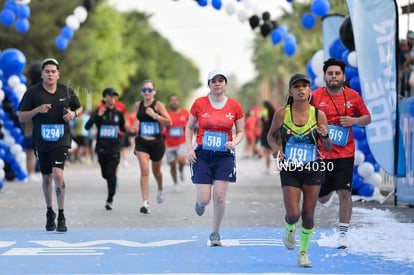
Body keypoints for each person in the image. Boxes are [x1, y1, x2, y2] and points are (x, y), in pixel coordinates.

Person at [267, 74, 332, 267]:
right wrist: (276, 148)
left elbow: (327, 147)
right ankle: (289, 229)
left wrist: (325, 135)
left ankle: (303, 253)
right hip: (290, 168)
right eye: (297, 86)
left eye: (305, 86)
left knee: (309, 214)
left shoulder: (318, 115)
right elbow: (270, 135)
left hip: (313, 168)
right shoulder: (282, 114)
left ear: (309, 90)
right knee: (294, 214)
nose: (301, 89)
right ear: (291, 91)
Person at [311, 58, 371, 249]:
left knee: (344, 192)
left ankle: (343, 234)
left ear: (343, 76)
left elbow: (367, 118)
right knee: (321, 197)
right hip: (321, 154)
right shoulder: (315, 96)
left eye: (337, 73)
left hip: (345, 153)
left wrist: (353, 121)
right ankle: (326, 195)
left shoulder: (353, 96)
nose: (334, 77)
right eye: (330, 73)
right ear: (325, 76)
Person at [18, 58, 83, 232]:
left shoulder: (66, 91)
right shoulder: (33, 93)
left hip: (61, 139)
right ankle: (49, 211)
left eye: (53, 71)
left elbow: (79, 108)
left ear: (58, 74)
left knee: (58, 173)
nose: (50, 74)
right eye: (47, 71)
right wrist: (37, 110)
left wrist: (73, 114)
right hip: (42, 140)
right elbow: (21, 117)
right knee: (46, 177)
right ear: (42, 74)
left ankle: (61, 214)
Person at [185, 70, 244, 246]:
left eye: (221, 80)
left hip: (224, 155)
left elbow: (240, 131)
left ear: (225, 84)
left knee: (219, 196)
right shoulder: (199, 103)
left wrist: (235, 143)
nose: (217, 83)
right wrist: (190, 148)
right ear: (209, 84)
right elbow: (189, 127)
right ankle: (200, 203)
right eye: (214, 81)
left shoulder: (234, 106)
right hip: (202, 154)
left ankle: (215, 233)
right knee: (205, 199)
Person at [131, 80, 172, 214]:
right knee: (144, 171)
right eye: (144, 90)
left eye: (149, 90)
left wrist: (154, 115)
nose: (147, 92)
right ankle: (145, 203)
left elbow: (169, 121)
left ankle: (160, 188)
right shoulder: (138, 105)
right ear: (141, 92)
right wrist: (134, 127)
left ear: (154, 91)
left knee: (157, 172)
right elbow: (139, 119)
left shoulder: (158, 105)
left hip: (156, 143)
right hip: (142, 142)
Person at [85, 87, 126, 210]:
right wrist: (97, 115)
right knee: (105, 174)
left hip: (114, 148)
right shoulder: (98, 111)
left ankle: (110, 199)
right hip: (102, 148)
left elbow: (123, 128)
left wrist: (129, 130)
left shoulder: (118, 113)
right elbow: (87, 126)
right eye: (110, 96)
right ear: (104, 98)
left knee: (111, 173)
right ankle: (111, 182)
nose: (112, 98)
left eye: (114, 96)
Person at [163, 94, 189, 189]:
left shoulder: (185, 113)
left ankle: (181, 169)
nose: (174, 102)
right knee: (172, 165)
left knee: (181, 159)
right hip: (169, 143)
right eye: (172, 100)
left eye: (176, 100)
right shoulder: (166, 114)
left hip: (182, 142)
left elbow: (190, 126)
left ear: (178, 102)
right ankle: (175, 182)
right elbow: (162, 127)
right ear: (169, 102)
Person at [259, 101, 275, 174]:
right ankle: (280, 167)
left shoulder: (264, 113)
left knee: (267, 153)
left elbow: (261, 124)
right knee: (275, 152)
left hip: (265, 134)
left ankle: (268, 167)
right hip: (273, 134)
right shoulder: (274, 114)